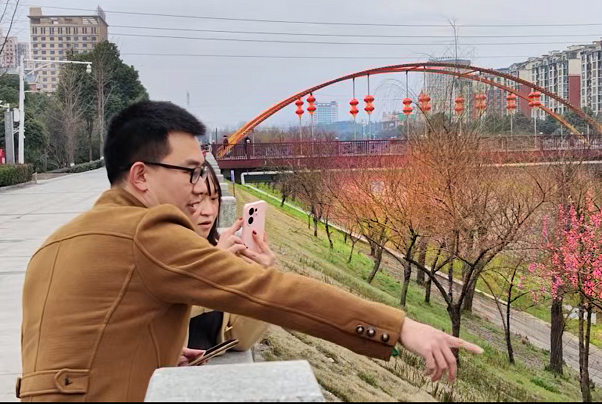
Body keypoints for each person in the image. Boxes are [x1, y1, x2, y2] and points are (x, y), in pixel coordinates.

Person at [18, 101, 482, 402]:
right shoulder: (149, 229)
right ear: (141, 176)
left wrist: (154, 350)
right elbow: (269, 292)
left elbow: (79, 349)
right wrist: (402, 328)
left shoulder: (56, 243)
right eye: (190, 171)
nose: (198, 187)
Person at [186, 161, 269, 352]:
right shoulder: (156, 256)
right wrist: (214, 268)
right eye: (195, 201)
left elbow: (240, 340)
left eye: (214, 198)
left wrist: (259, 279)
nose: (208, 211)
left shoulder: (215, 249)